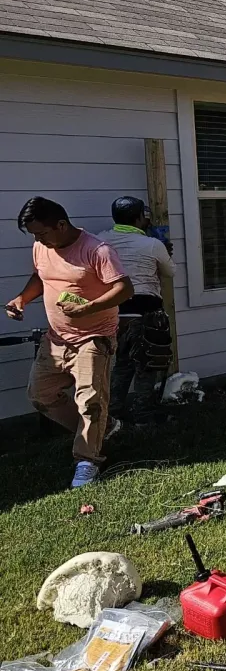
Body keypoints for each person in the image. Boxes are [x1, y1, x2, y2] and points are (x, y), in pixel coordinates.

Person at [6, 197, 133, 488]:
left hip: (94, 337)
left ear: (61, 225)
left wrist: (89, 308)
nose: (38, 240)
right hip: (57, 338)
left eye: (42, 233)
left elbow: (125, 288)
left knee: (90, 401)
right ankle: (103, 430)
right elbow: (41, 276)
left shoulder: (97, 250)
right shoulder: (42, 247)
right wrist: (22, 299)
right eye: (35, 235)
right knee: (40, 395)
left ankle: (87, 460)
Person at [97, 196, 176, 424]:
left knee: (122, 364)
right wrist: (164, 251)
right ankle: (144, 415)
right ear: (139, 217)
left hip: (113, 314)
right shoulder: (152, 244)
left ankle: (113, 413)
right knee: (147, 364)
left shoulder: (101, 241)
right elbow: (171, 272)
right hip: (145, 313)